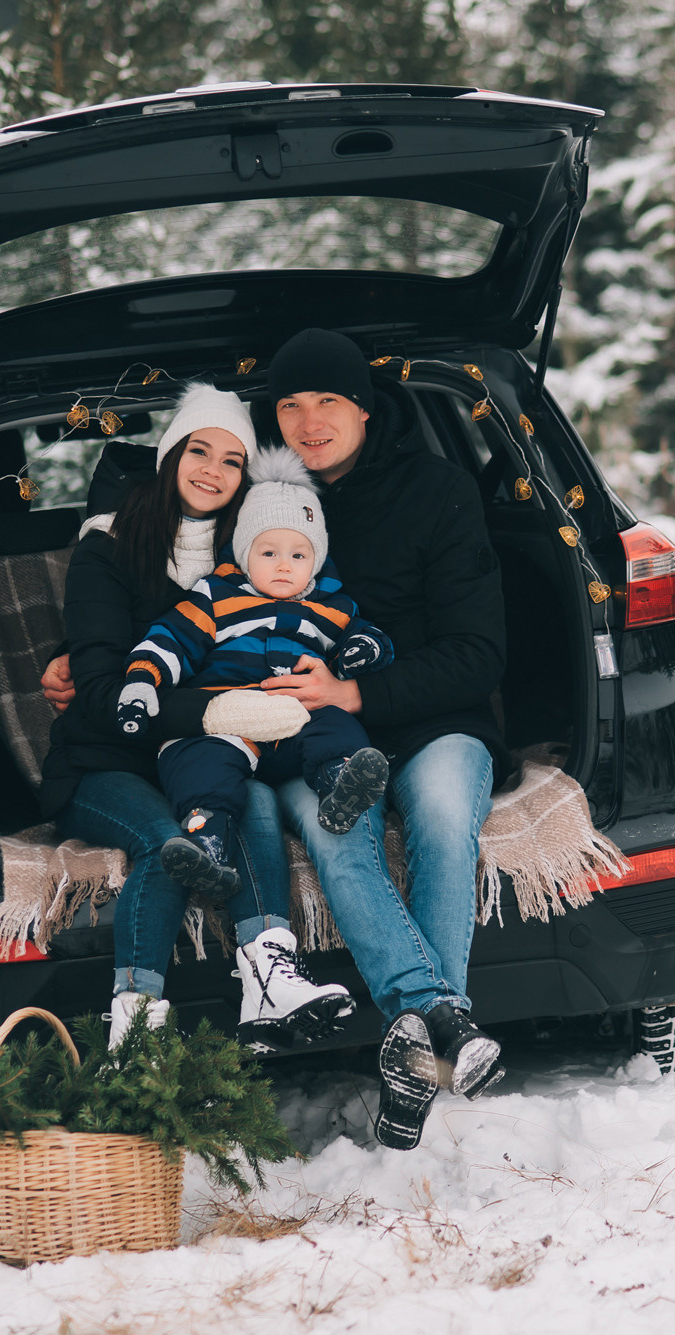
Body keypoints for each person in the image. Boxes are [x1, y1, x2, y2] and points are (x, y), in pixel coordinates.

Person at [247, 327, 520, 1150]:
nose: (309, 420)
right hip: (310, 733)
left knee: (440, 813)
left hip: (433, 717)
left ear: (365, 406)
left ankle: (415, 1045)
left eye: (328, 399)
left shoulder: (436, 491)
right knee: (339, 836)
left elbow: (478, 654)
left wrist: (358, 687)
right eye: (290, 404)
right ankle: (441, 1029)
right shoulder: (261, 503)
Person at [36, 383, 353, 1051]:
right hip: (107, 758)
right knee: (163, 840)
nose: (212, 469)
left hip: (202, 753)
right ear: (171, 452)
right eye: (199, 450)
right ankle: (137, 1027)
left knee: (254, 801)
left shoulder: (252, 560)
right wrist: (216, 709)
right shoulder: (110, 546)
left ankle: (268, 977)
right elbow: (97, 690)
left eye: (232, 459)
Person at [115, 447, 397, 895]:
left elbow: (369, 637)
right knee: (199, 761)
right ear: (245, 554)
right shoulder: (216, 596)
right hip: (228, 722)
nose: (284, 564)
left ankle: (339, 784)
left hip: (295, 721)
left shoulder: (330, 606)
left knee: (334, 722)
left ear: (317, 559)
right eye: (268, 552)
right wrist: (143, 678)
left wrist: (361, 652)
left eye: (299, 555)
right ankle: (207, 842)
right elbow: (172, 637)